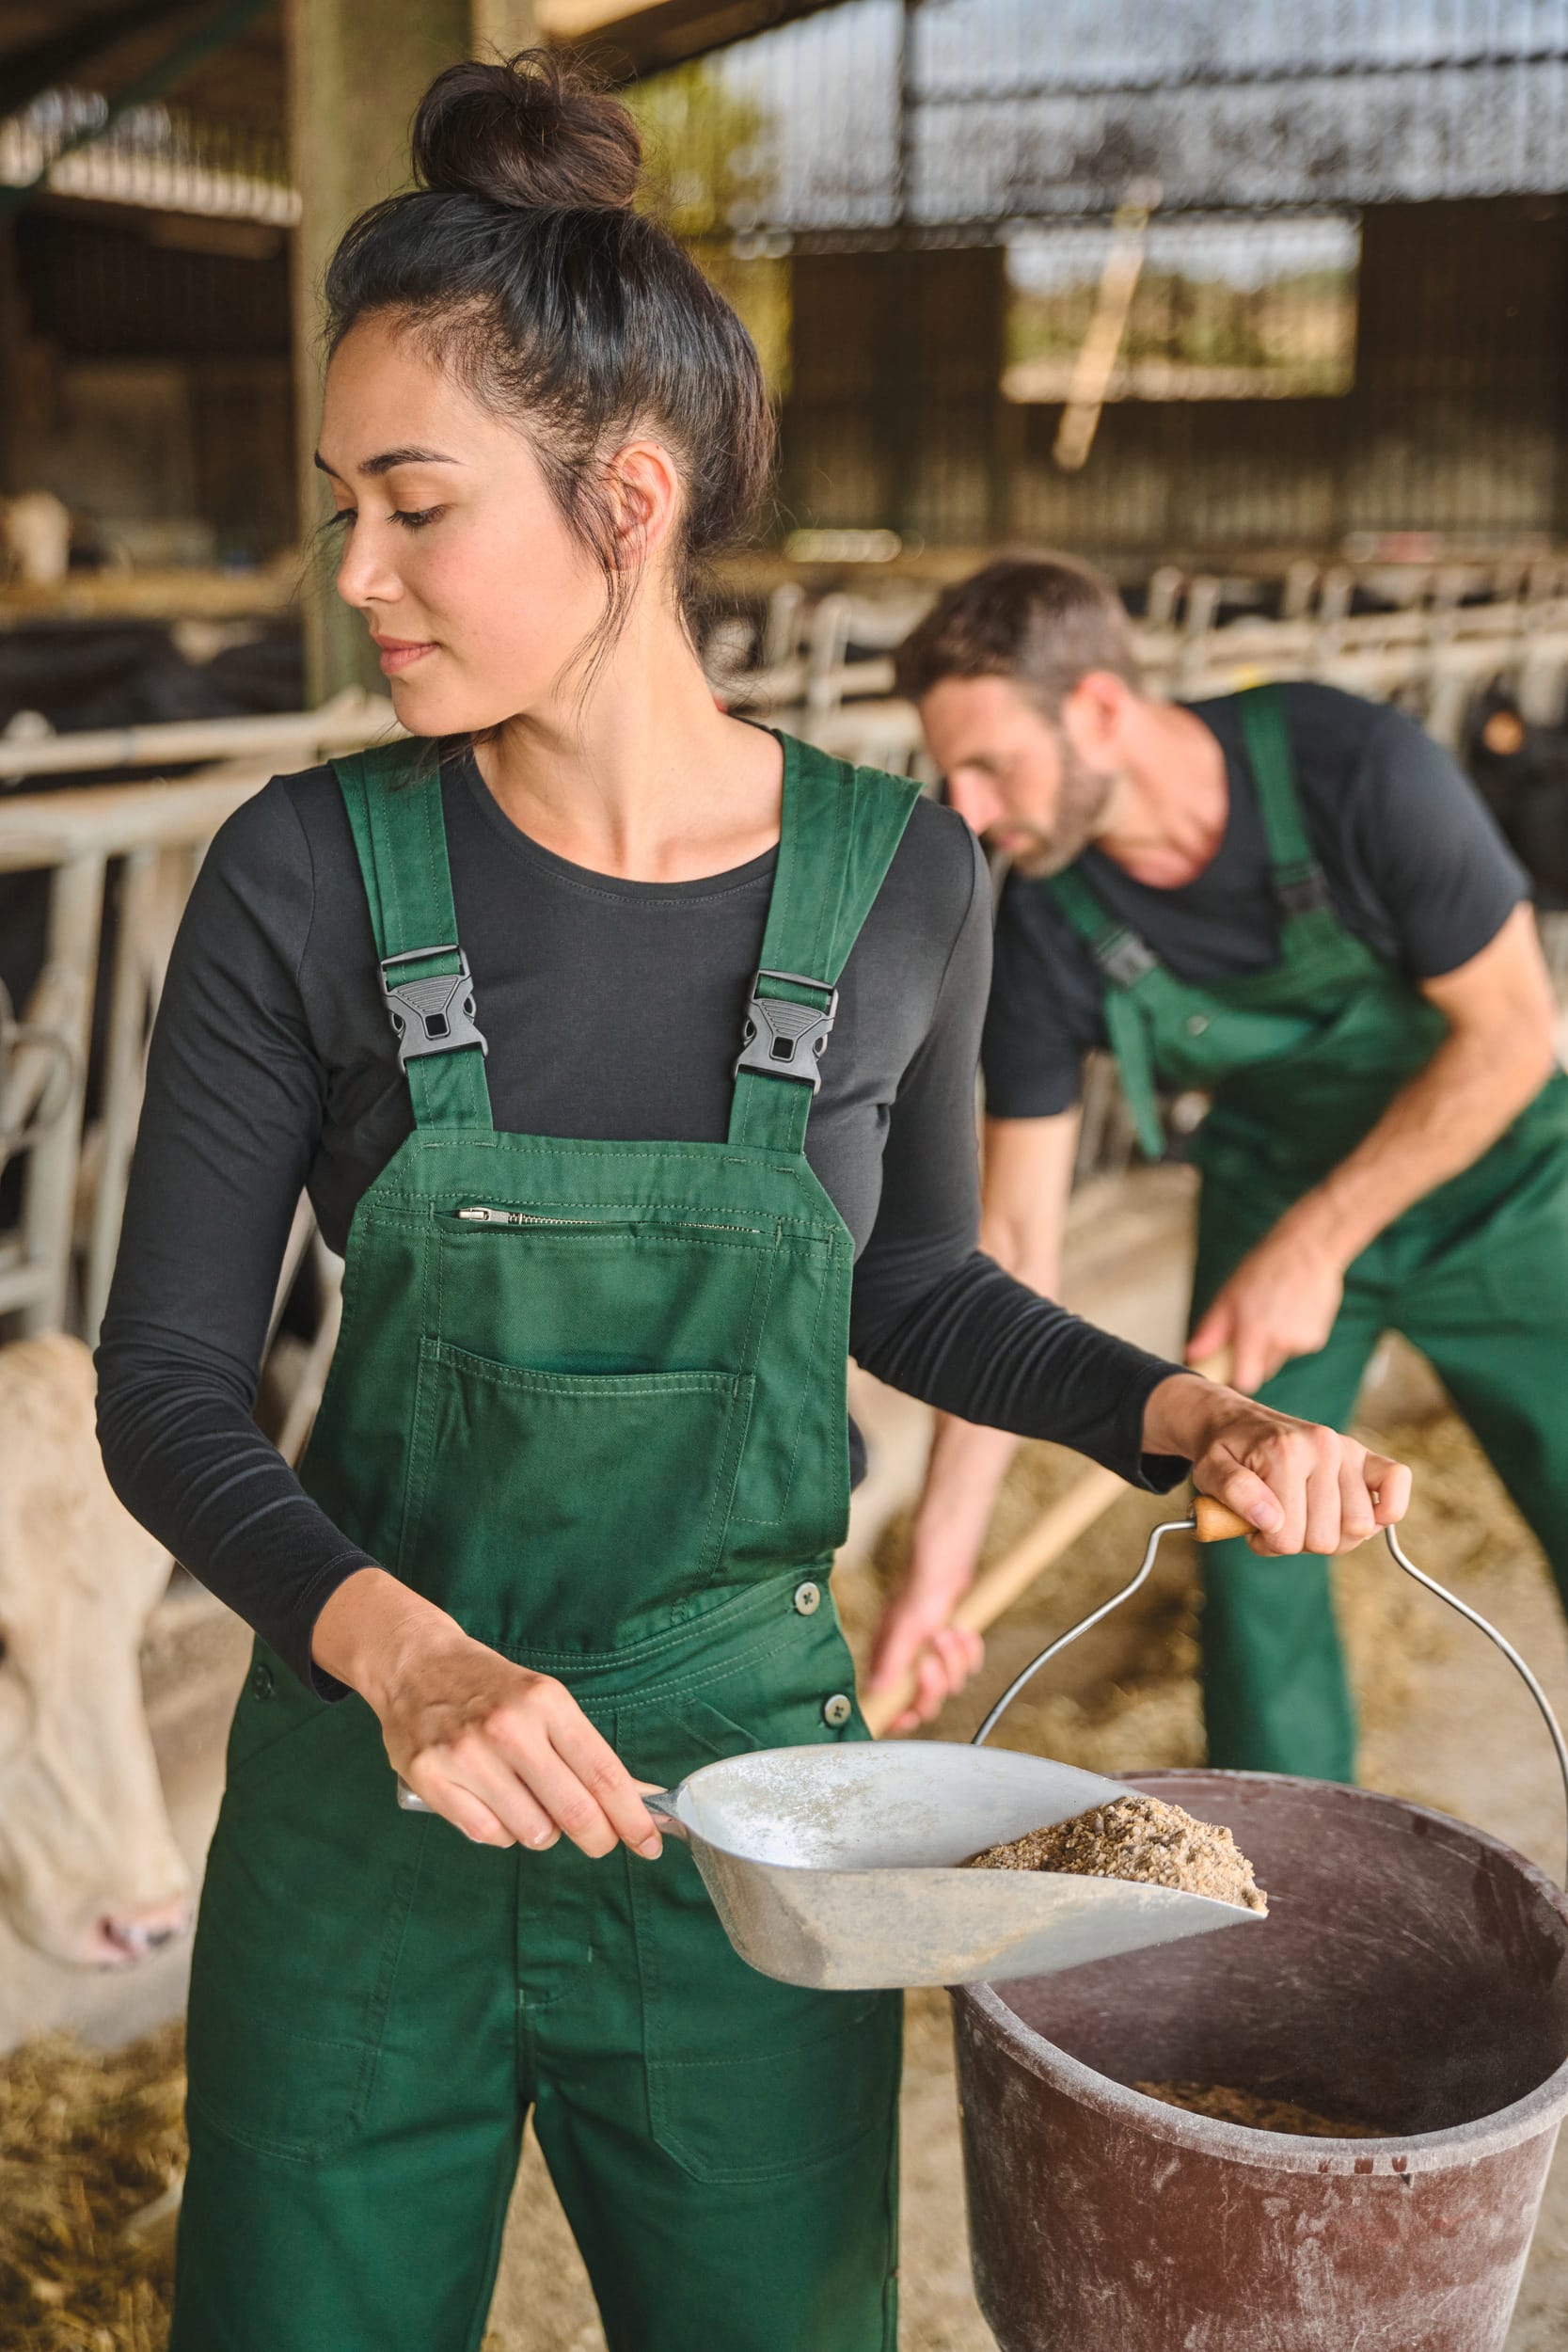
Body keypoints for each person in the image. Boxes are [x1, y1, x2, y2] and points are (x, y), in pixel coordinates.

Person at [96, 67, 1407, 2352]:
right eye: (343, 508)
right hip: (364, 1822)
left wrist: (1179, 1412)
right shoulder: (303, 871)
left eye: (412, 506)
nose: (356, 573)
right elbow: (169, 1389)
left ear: (630, 498)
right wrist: (402, 1652)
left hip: (752, 1824)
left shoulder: (904, 874)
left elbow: (911, 1284)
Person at [876, 550, 1563, 1777]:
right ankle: (1286, 1880)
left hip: (1502, 1177)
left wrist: (1320, 1240)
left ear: (1096, 709)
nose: (968, 811)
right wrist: (942, 1568)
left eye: (991, 765)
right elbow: (1014, 1253)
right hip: (1275, 1190)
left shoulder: (1354, 766)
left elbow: (1515, 1032)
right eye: (950, 773)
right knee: (1252, 1533)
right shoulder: (1041, 919)